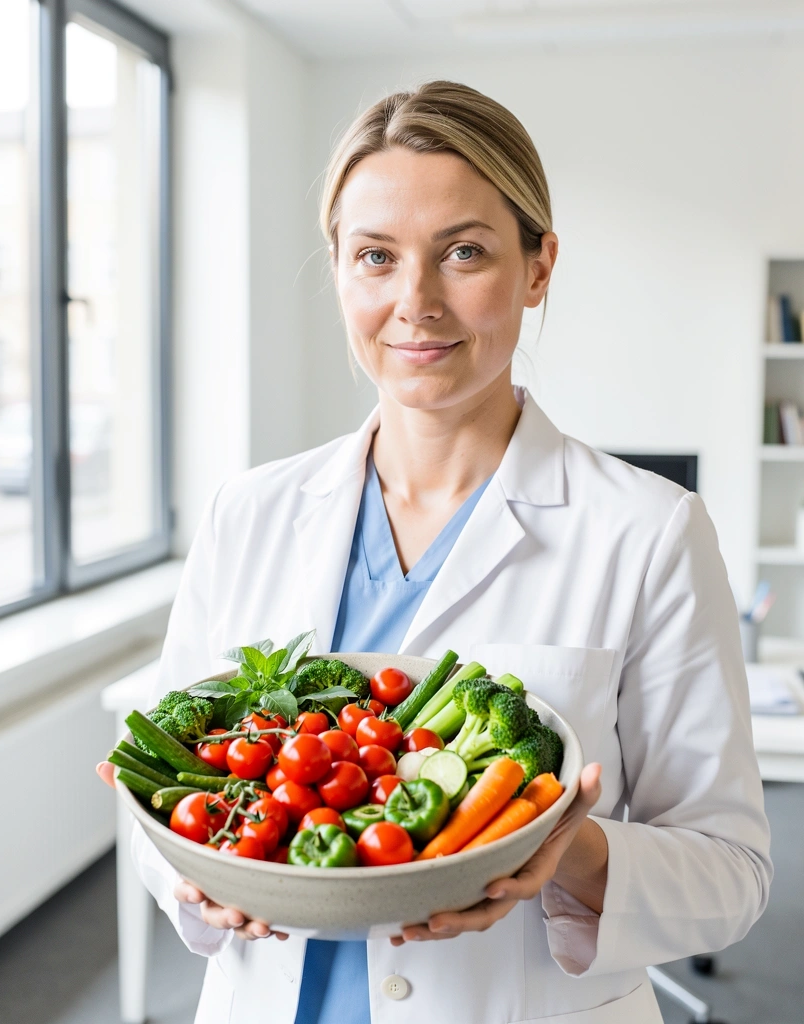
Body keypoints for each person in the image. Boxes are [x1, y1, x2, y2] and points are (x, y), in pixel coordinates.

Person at [98, 81, 771, 1024]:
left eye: (464, 252)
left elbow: (733, 874)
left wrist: (559, 851)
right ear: (338, 270)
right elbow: (168, 812)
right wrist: (189, 880)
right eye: (375, 256)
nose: (414, 302)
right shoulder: (246, 511)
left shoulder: (649, 531)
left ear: (539, 269)